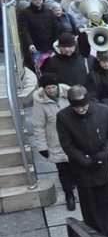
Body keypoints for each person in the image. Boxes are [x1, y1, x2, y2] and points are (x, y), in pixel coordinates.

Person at [56, 85, 108, 236]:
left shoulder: (104, 111)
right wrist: (85, 160)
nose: (80, 110)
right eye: (76, 107)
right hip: (82, 170)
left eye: (83, 106)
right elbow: (67, 144)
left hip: (104, 167)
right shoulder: (63, 116)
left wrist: (102, 155)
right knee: (90, 207)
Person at [33, 74, 75, 210]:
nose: (51, 90)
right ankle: (69, 195)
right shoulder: (40, 102)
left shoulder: (68, 94)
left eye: (53, 87)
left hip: (73, 137)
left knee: (76, 167)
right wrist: (42, 146)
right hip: (55, 140)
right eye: (48, 88)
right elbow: (39, 126)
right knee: (63, 170)